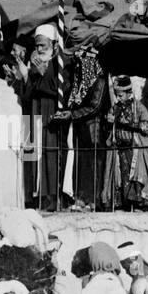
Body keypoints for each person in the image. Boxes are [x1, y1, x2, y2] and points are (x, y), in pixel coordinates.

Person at [52, 38, 107, 211]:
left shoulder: (99, 81)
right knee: (81, 165)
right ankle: (81, 198)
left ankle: (95, 200)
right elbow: (74, 101)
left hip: (94, 129)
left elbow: (94, 106)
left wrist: (73, 114)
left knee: (94, 165)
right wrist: (67, 112)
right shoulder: (79, 83)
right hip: (80, 129)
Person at [20, 23, 68, 211]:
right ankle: (36, 196)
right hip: (34, 112)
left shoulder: (60, 63)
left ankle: (54, 197)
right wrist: (26, 77)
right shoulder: (35, 64)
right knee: (34, 155)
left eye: (43, 45)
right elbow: (27, 95)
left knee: (51, 154)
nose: (39, 49)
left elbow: (61, 90)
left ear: (54, 45)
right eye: (37, 45)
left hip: (50, 114)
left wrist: (43, 76)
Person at [101, 76, 148, 210]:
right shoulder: (114, 108)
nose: (118, 98)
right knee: (120, 178)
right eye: (116, 95)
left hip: (134, 148)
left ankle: (137, 204)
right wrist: (108, 122)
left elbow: (147, 126)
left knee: (134, 178)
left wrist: (123, 123)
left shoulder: (139, 107)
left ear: (128, 93)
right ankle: (121, 204)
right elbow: (106, 129)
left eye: (120, 95)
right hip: (119, 149)